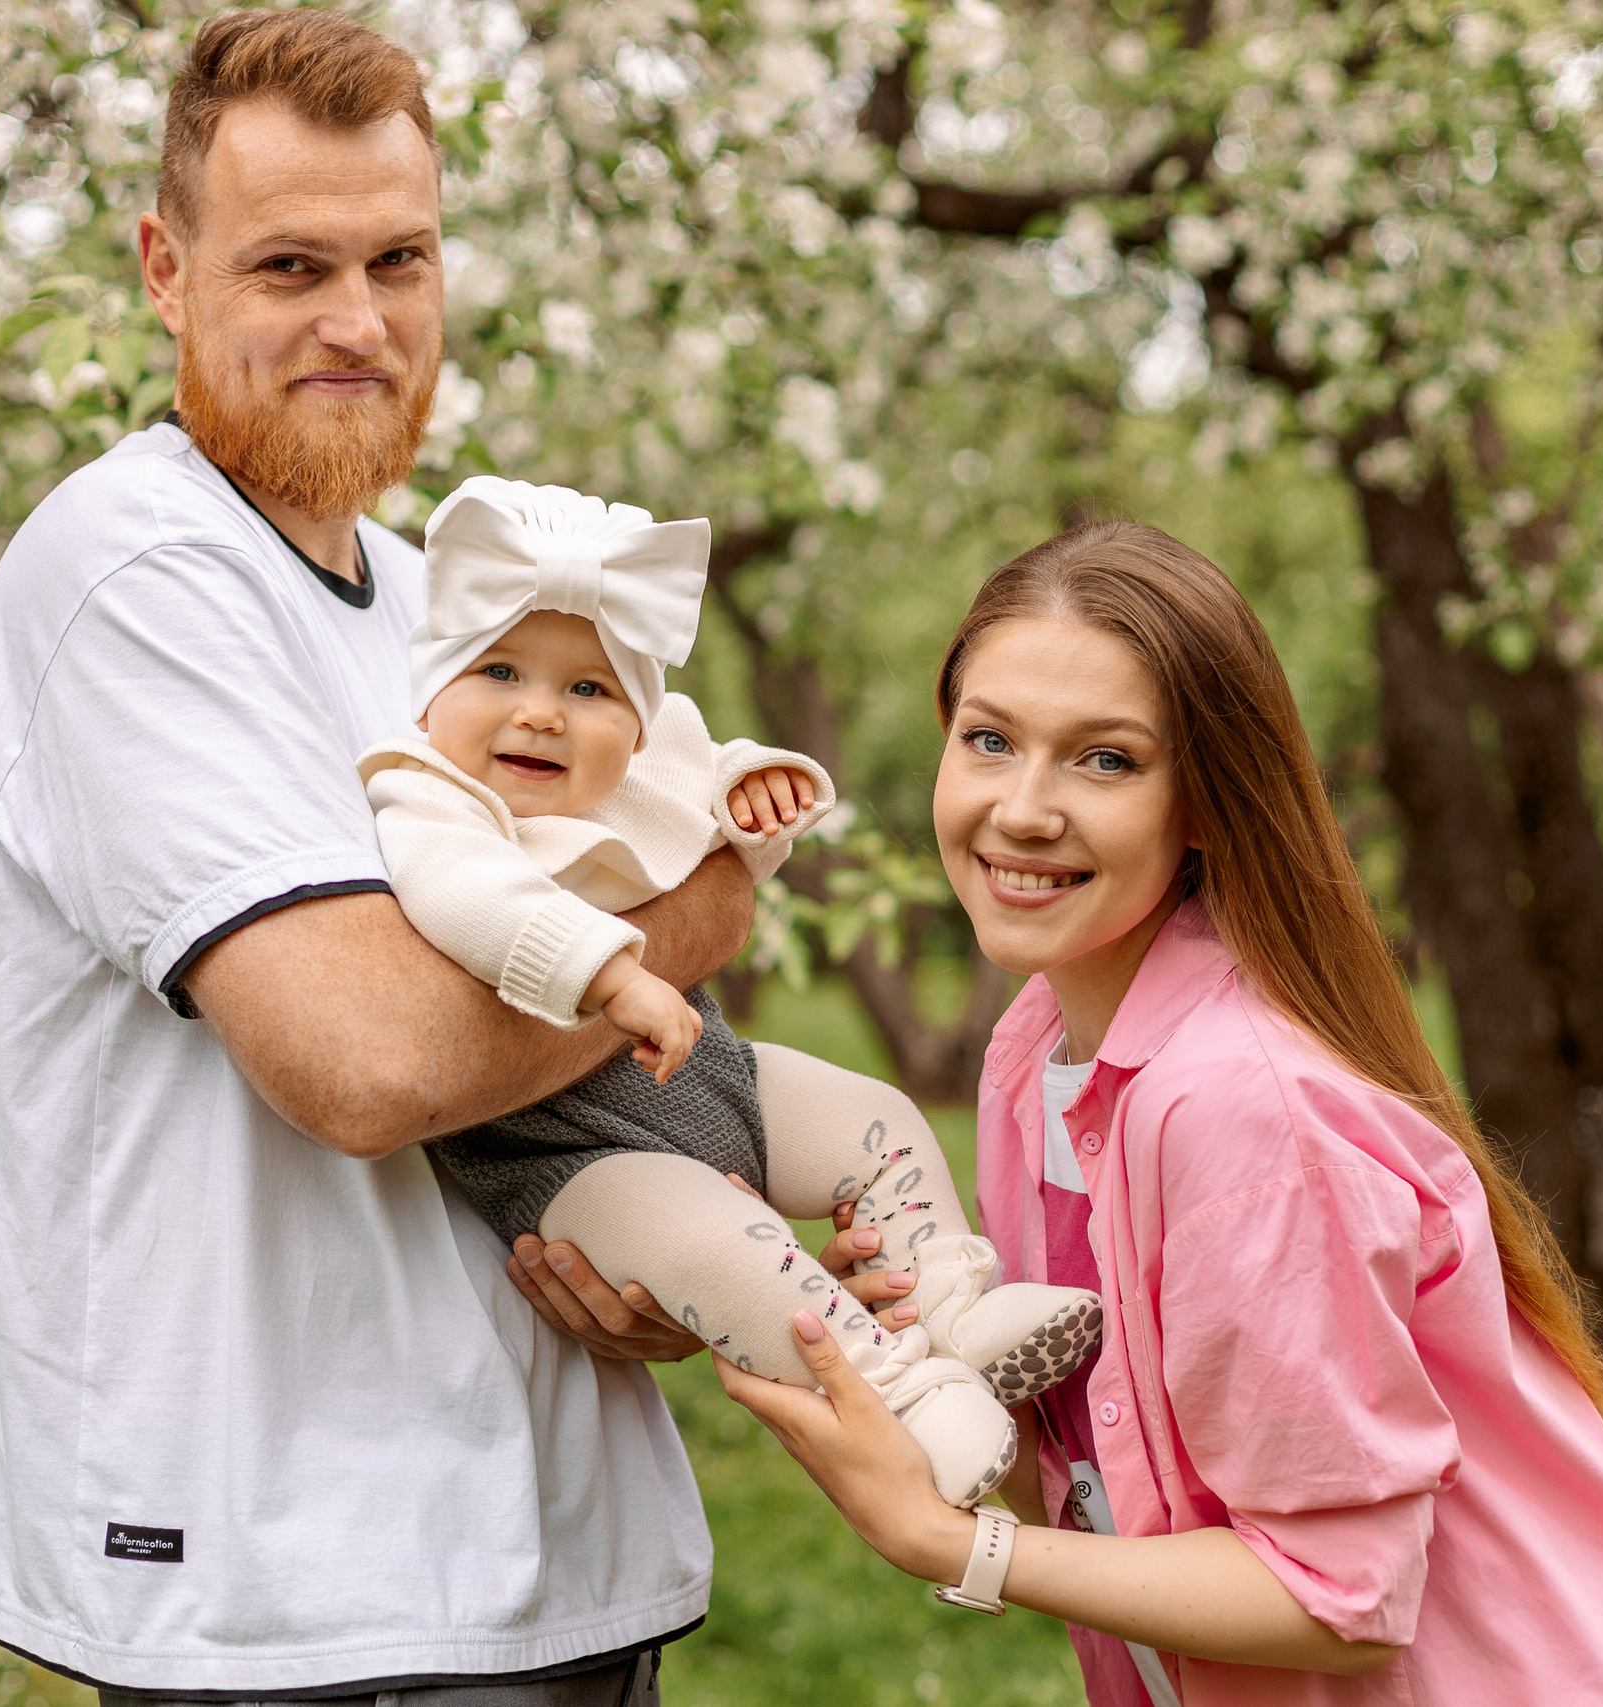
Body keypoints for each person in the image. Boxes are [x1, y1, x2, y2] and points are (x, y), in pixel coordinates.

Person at [0, 13, 737, 1703]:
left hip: (545, 1547)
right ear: (167, 268)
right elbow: (366, 1060)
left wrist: (654, 1246)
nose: (358, 323)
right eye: (290, 265)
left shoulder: (444, 624)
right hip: (300, 1592)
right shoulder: (135, 571)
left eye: (400, 261)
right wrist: (696, 905)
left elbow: (533, 1045)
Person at [715, 523, 1603, 1705]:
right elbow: (1109, 1480)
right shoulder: (1030, 1056)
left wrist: (951, 1546)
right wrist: (929, 1377)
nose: (1023, 810)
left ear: (1204, 802)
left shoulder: (1239, 1111)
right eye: (988, 740)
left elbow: (1339, 1601)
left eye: (1104, 760)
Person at [364, 476, 1104, 1507]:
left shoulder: (630, 771)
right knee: (729, 1250)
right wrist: (613, 972)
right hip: (568, 1150)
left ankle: (948, 1297)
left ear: (631, 723)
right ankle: (900, 1392)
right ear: (432, 687)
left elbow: (695, 771)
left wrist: (747, 790)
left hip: (705, 1068)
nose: (541, 712)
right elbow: (470, 898)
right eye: (499, 671)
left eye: (590, 691)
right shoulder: (425, 792)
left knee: (876, 1118)